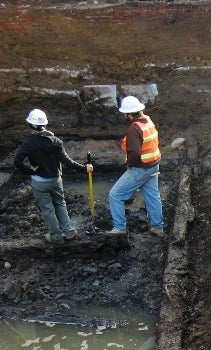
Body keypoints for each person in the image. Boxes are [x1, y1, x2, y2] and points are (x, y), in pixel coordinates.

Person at [13, 108, 94, 245]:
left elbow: (17, 162)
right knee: (60, 204)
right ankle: (69, 231)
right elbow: (68, 162)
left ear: (31, 125)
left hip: (40, 182)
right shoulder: (56, 141)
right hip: (56, 180)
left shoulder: (30, 142)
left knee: (48, 209)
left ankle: (56, 236)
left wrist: (30, 171)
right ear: (44, 124)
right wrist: (84, 168)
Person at [107, 95, 164, 237]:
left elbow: (134, 152)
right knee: (153, 197)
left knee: (115, 195)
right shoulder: (148, 121)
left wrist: (129, 164)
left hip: (141, 168)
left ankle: (119, 228)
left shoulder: (134, 129)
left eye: (125, 114)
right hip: (153, 165)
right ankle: (158, 227)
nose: (125, 116)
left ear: (129, 114)